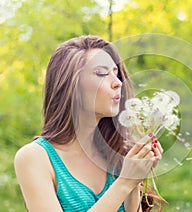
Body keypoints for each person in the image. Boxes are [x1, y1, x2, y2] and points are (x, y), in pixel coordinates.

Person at [14, 35, 164, 212]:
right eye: (101, 73)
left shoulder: (117, 154)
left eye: (116, 74)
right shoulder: (35, 157)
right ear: (71, 85)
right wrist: (124, 182)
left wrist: (134, 182)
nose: (117, 83)